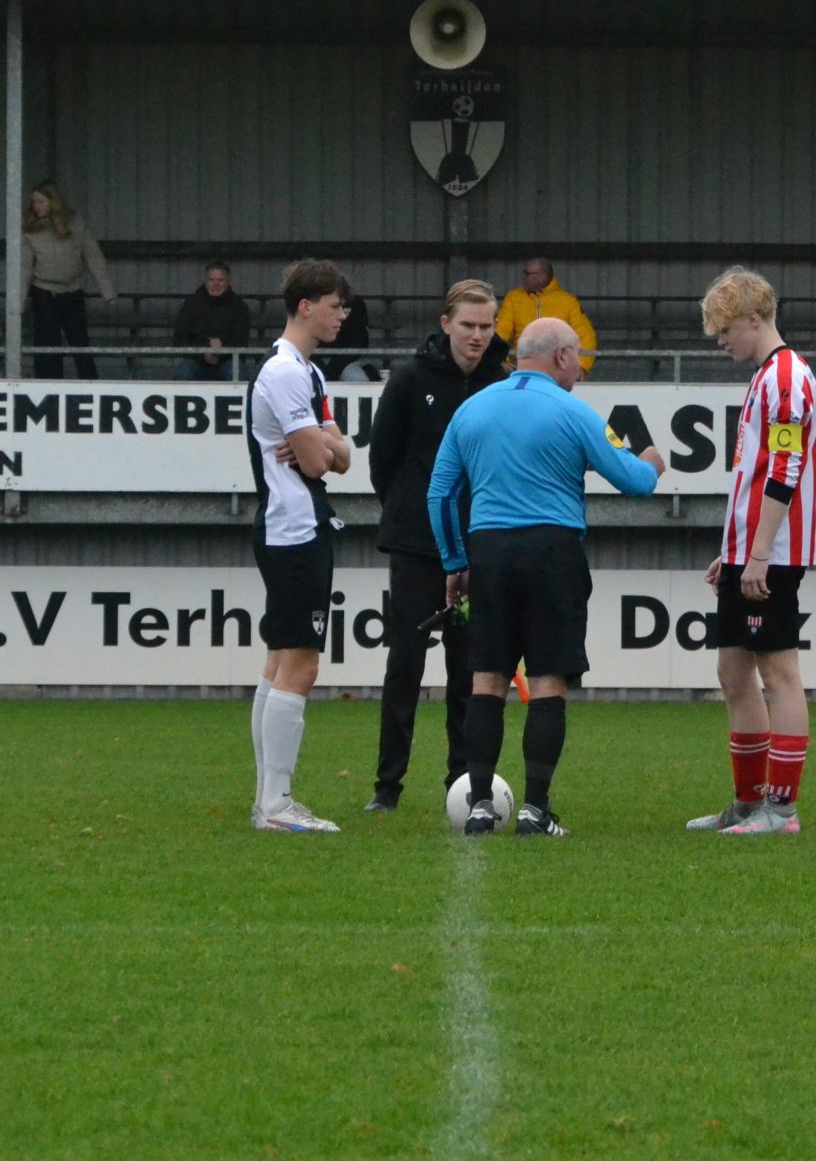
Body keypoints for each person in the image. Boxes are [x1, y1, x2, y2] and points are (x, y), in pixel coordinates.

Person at [428, 317, 666, 838]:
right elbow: (634, 482)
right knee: (547, 681)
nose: (579, 369)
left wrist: (454, 562)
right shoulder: (573, 412)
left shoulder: (472, 409)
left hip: (489, 551)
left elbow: (440, 493)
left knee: (487, 680)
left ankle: (480, 806)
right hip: (552, 552)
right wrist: (652, 463)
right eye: (577, 357)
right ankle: (536, 810)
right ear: (560, 356)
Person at [363, 280, 511, 814]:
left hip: (479, 546)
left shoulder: (503, 384)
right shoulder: (409, 380)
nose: (477, 335)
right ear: (445, 324)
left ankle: (463, 781)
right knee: (405, 663)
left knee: (468, 670)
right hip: (417, 546)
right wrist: (412, 513)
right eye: (467, 325)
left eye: (486, 326)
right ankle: (387, 787)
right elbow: (383, 460)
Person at [688, 268, 816, 837]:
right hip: (752, 549)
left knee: (779, 671)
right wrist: (736, 550)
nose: (721, 342)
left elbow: (785, 468)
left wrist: (761, 551)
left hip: (775, 552)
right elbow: (754, 473)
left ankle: (782, 810)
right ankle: (749, 802)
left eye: (725, 330)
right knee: (733, 670)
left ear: (753, 319)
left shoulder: (786, 378)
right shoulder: (767, 377)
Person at [245, 258, 354, 834]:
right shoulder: (286, 373)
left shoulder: (309, 373)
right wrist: (323, 448)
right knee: (301, 665)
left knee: (280, 662)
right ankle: (277, 806)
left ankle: (268, 801)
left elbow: (343, 454)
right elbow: (317, 461)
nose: (343, 316)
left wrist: (324, 447)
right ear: (305, 307)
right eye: (335, 306)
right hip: (294, 528)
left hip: (294, 525)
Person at [22, 180, 116, 380]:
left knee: (80, 342)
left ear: (53, 202)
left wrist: (107, 292)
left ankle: (90, 386)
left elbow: (93, 257)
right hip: (43, 290)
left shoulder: (76, 225)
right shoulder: (31, 230)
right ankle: (48, 388)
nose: (36, 206)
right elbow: (24, 268)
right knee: (47, 345)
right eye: (34, 202)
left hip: (72, 290)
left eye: (41, 202)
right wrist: (18, 302)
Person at [495, 257, 598, 377]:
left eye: (527, 274)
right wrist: (499, 360)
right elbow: (500, 332)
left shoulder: (568, 301)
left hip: (559, 368)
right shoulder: (514, 298)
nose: (523, 278)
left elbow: (586, 336)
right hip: (521, 368)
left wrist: (581, 366)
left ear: (542, 277)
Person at [172, 261, 254, 381]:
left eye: (220, 280)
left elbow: (241, 342)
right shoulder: (191, 304)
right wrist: (203, 353)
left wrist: (222, 349)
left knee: (237, 373)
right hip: (196, 361)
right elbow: (179, 339)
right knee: (184, 373)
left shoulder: (239, 307)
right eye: (211, 280)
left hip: (227, 361)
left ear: (228, 282)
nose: (216, 284)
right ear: (205, 281)